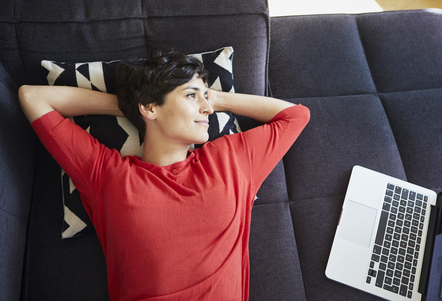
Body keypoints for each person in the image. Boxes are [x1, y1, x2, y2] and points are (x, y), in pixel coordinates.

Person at [18, 49, 310, 301]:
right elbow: (32, 96)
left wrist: (215, 98)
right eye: (192, 95)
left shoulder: (231, 158)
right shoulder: (106, 174)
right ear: (150, 107)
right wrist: (133, 106)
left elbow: (297, 116)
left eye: (205, 98)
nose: (207, 108)